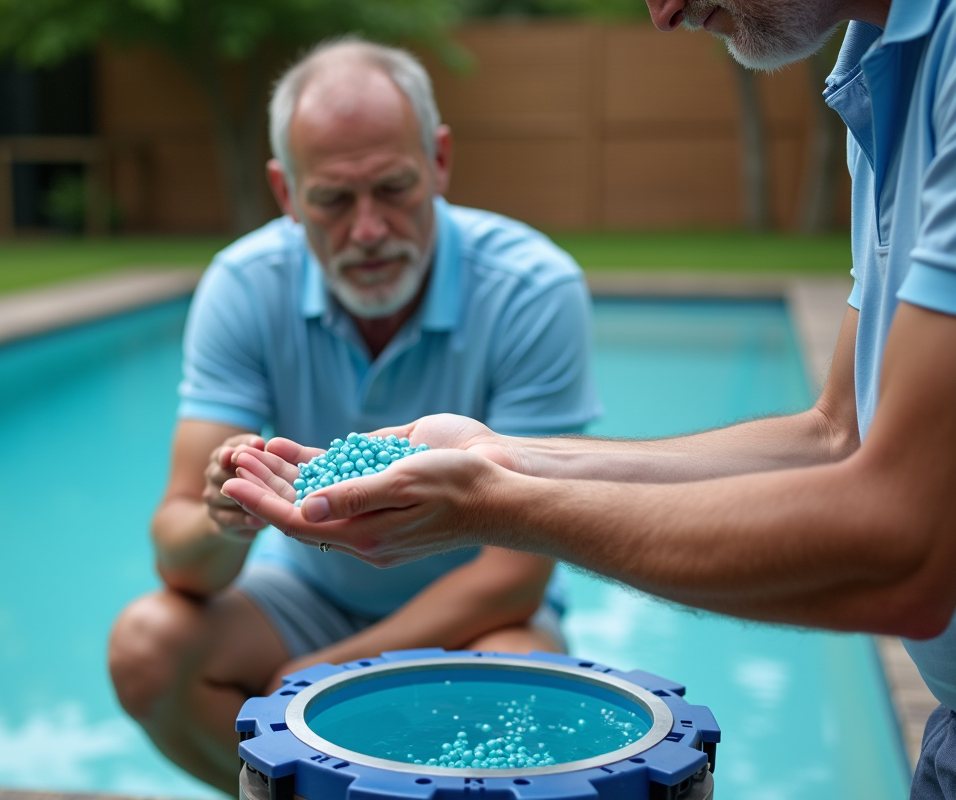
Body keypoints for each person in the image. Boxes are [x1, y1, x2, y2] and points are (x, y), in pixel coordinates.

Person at [223, 2, 956, 797]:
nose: (663, 13)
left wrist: (499, 506)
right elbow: (834, 435)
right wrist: (505, 460)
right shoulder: (882, 73)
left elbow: (905, 551)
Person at [107, 39, 601, 794]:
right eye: (334, 200)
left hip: (475, 612)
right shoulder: (244, 286)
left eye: (394, 189)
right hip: (304, 596)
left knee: (521, 686)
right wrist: (224, 517)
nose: (369, 230)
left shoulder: (532, 289)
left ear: (438, 162)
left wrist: (322, 675)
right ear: (285, 191)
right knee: (148, 646)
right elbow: (176, 557)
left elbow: (515, 579)